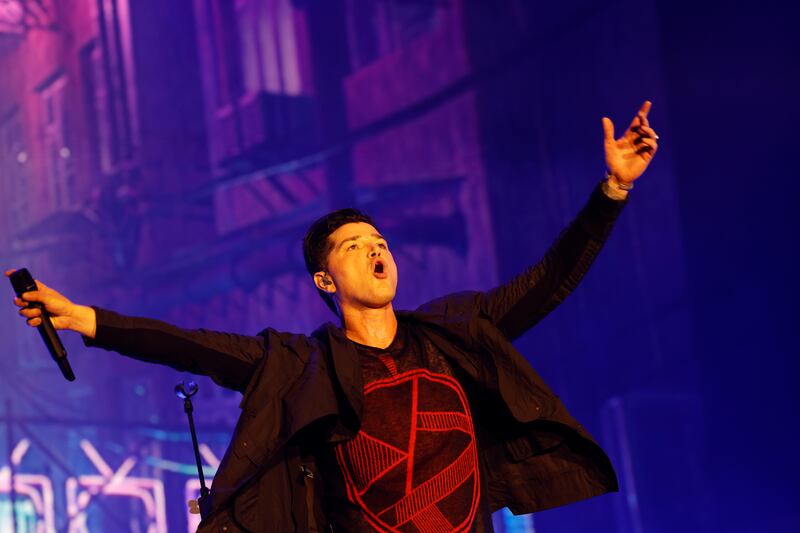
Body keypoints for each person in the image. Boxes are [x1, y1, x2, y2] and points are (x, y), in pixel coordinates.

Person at [8, 102, 658, 532]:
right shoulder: (299, 365)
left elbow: (547, 282)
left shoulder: (454, 336)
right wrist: (85, 317)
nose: (376, 249)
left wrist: (613, 190)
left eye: (380, 241)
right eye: (355, 245)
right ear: (325, 278)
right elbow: (187, 345)